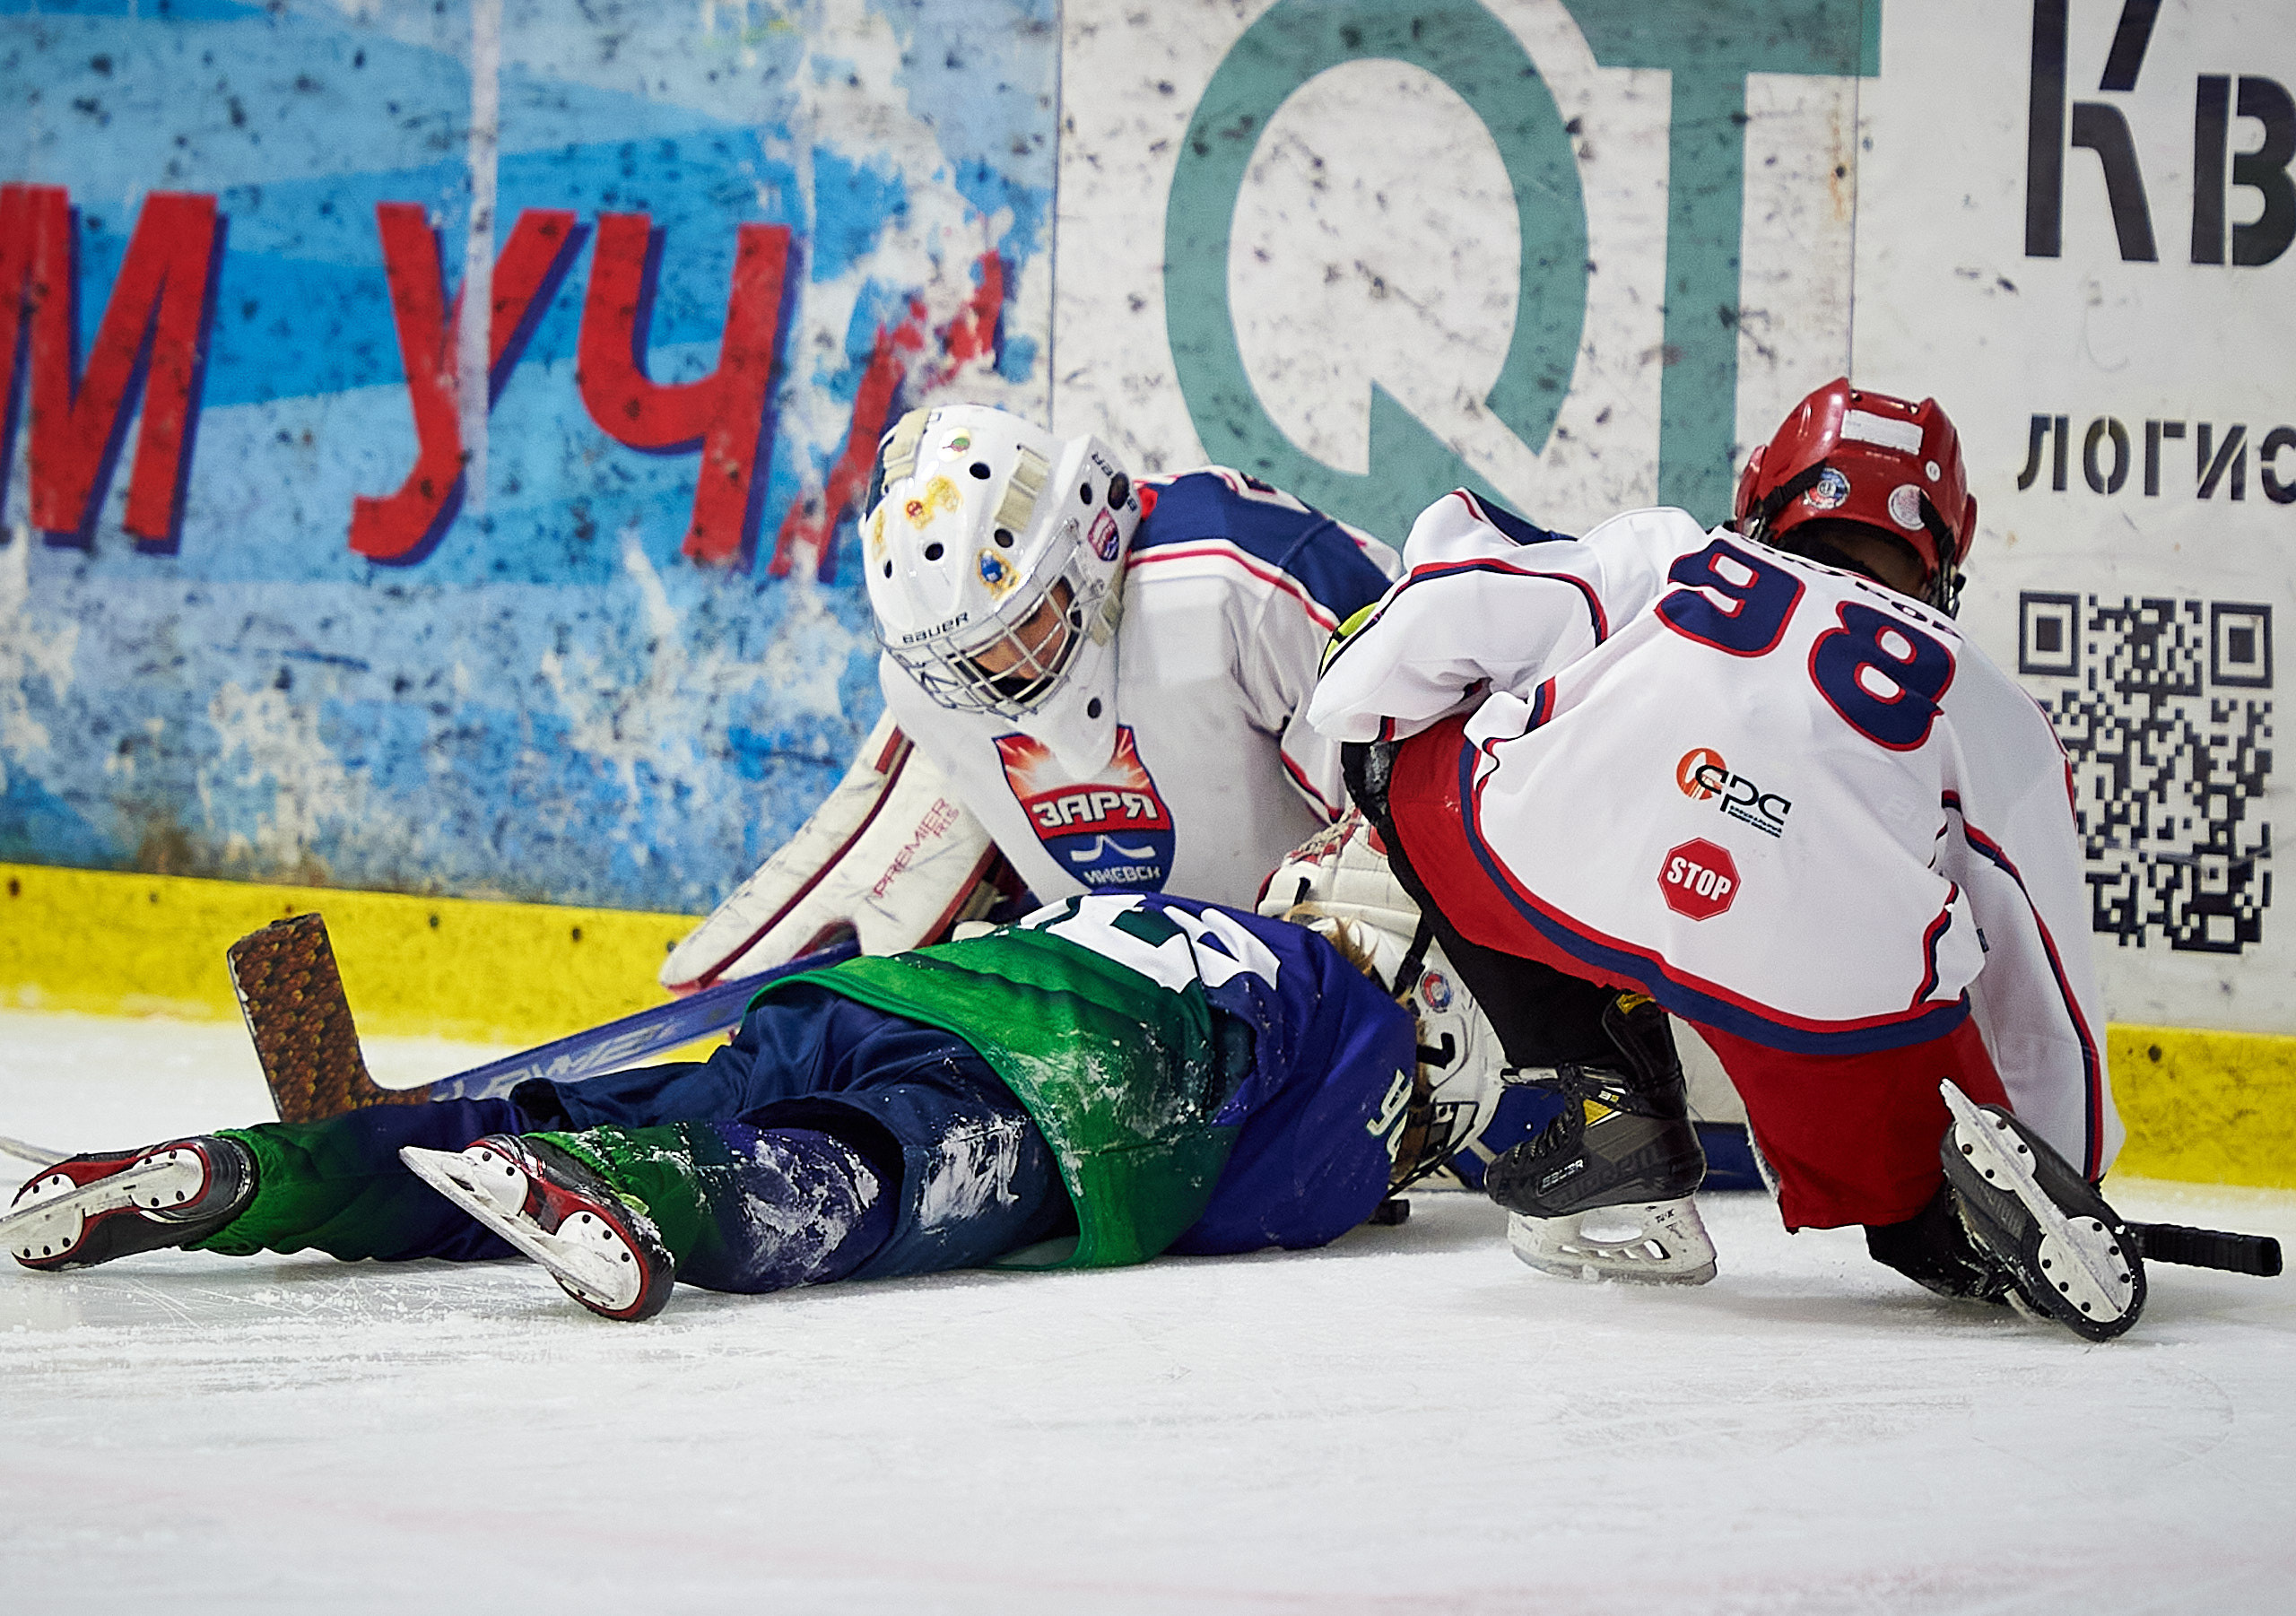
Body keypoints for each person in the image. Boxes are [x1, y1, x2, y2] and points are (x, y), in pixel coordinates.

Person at [1305, 378, 2145, 1339]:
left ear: (1763, 498)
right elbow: (2046, 992)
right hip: (1822, 997)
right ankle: (1929, 1223)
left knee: (1390, 746)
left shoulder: (1672, 555)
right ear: (1943, 549)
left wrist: (1366, 688)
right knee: (1918, 1207)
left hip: (1577, 875)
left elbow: (1443, 615)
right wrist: (2069, 1172)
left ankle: (1615, 1104)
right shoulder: (1989, 702)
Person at [4, 894, 1513, 1322]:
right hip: (1050, 1083)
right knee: (845, 1184)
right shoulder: (1370, 1032)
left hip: (869, 998)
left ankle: (243, 1173)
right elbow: (1268, 1202)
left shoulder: (1182, 911)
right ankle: (631, 1187)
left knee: (501, 1132)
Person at [659, 405, 1402, 992]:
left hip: (1341, 994)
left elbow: (1411, 817)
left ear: (1088, 537)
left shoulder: (1239, 582)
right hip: (1153, 1020)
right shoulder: (922, 689)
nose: (1000, 673)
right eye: (964, 659)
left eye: (1021, 622)